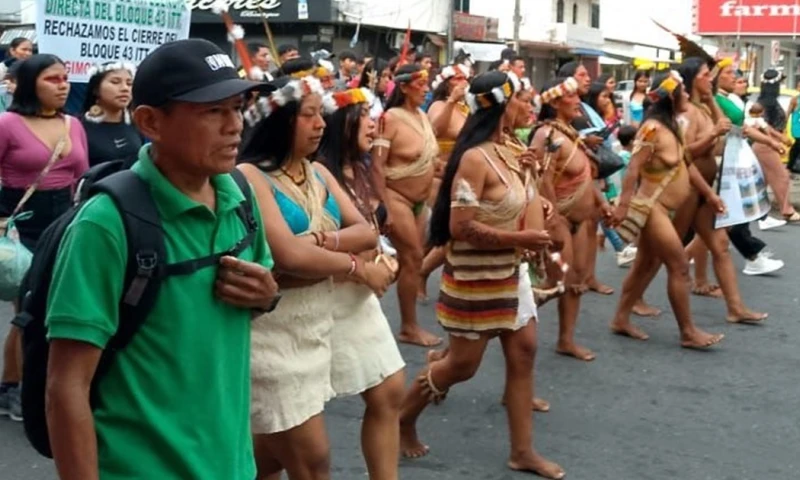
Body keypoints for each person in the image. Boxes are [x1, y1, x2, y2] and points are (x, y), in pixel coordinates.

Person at [45, 38, 279, 479]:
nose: (235, 126)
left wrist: (267, 296)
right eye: (213, 111)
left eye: (237, 107)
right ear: (151, 122)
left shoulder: (240, 197)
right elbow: (66, 385)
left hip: (232, 465)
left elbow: (243, 307)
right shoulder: (107, 224)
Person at [399, 70, 564, 480]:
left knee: (524, 353)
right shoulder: (474, 158)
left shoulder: (511, 147)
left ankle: (522, 451)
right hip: (476, 275)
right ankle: (399, 419)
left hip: (510, 271)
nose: (529, 105)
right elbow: (460, 228)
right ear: (502, 105)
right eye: (521, 99)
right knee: (462, 366)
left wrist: (536, 190)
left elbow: (523, 199)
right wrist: (521, 235)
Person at [239, 76, 395, 480]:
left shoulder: (319, 173)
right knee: (312, 458)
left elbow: (367, 230)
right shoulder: (250, 176)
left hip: (318, 317)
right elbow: (286, 256)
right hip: (273, 330)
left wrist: (318, 239)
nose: (321, 125)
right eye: (307, 115)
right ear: (280, 121)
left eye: (320, 115)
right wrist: (355, 265)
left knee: (276, 451)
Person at [317, 87, 407, 479]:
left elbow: (376, 232)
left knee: (388, 391)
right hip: (321, 301)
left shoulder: (363, 169)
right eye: (364, 116)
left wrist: (387, 259)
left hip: (359, 300)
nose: (373, 124)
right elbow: (300, 252)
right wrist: (361, 266)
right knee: (294, 430)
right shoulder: (318, 176)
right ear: (341, 123)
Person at [608, 71, 725, 347]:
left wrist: (709, 195)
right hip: (652, 207)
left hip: (664, 208)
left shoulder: (672, 125)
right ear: (671, 97)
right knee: (680, 266)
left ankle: (620, 319)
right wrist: (623, 207)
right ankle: (688, 332)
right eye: (682, 91)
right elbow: (632, 171)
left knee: (646, 265)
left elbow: (686, 164)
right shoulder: (651, 129)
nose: (686, 95)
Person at [529, 76, 603, 361]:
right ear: (557, 102)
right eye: (572, 97)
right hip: (559, 221)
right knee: (555, 282)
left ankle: (566, 340)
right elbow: (540, 181)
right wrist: (555, 221)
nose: (578, 102)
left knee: (576, 282)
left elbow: (586, 177)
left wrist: (601, 203)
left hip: (582, 223)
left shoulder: (571, 134)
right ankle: (510, 321)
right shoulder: (546, 135)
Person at [371, 64, 442, 347]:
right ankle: (409, 328)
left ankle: (368, 296)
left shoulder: (423, 116)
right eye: (420, 84)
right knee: (413, 258)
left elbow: (430, 161)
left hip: (419, 203)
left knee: (408, 261)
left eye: (427, 84)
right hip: (396, 197)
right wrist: (383, 205)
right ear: (403, 87)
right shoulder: (389, 119)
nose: (426, 89)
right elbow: (376, 165)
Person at [714, 60, 787, 276]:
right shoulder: (714, 101)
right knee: (724, 216)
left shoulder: (728, 100)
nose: (734, 76)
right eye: (728, 73)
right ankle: (752, 255)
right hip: (720, 162)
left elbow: (742, 128)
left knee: (717, 220)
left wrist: (771, 142)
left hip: (734, 159)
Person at [418, 64, 471, 300]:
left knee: (445, 233)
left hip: (464, 176)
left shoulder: (467, 107)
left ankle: (420, 271)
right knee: (444, 232)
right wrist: (451, 101)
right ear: (446, 82)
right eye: (456, 77)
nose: (462, 81)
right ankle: (418, 272)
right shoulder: (440, 105)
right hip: (439, 176)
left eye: (464, 77)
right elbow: (434, 131)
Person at [750, 70, 798, 223]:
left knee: (763, 179)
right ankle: (787, 210)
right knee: (782, 176)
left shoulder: (768, 102)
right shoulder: (765, 105)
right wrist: (778, 140)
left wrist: (780, 138)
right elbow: (763, 127)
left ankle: (757, 211)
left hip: (765, 143)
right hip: (765, 144)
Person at [80, 62, 142, 167]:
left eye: (129, 83)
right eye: (115, 82)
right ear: (96, 89)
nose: (125, 88)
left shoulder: (136, 122)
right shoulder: (79, 127)